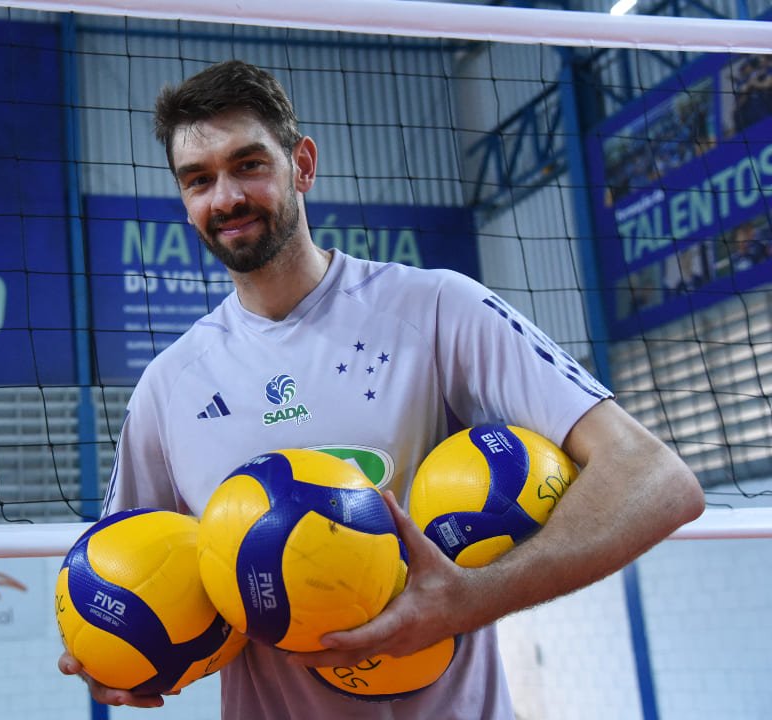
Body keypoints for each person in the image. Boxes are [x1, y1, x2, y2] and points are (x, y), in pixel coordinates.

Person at [59, 59, 705, 718]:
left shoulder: (436, 309)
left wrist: (472, 596)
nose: (224, 198)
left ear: (302, 164)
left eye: (248, 164)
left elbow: (655, 479)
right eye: (199, 180)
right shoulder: (170, 386)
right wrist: (115, 657)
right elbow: (122, 579)